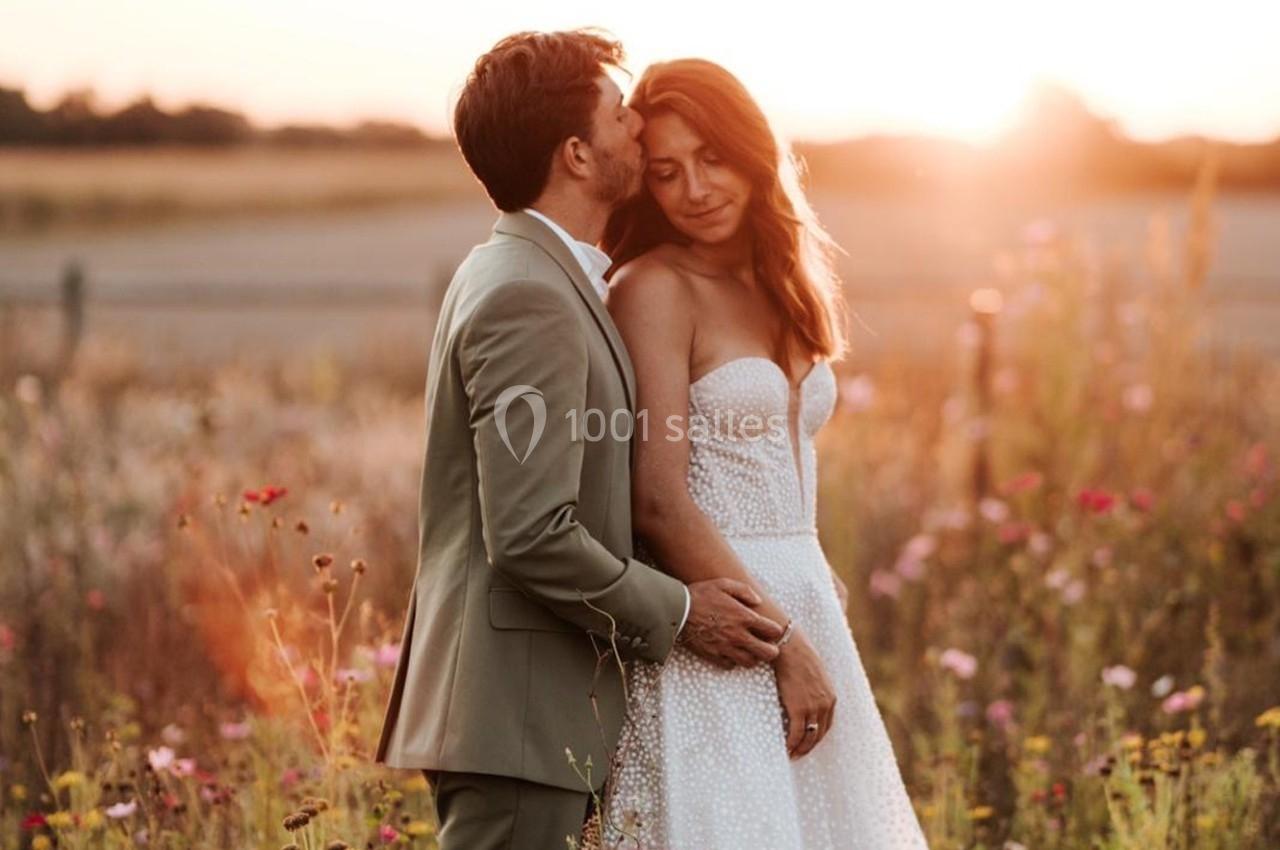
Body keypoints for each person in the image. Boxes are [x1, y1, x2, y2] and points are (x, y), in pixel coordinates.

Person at [372, 32, 787, 850]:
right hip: (517, 715)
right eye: (620, 112)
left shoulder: (526, 272)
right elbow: (530, 533)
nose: (638, 126)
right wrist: (683, 612)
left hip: (527, 713)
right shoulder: (529, 294)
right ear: (577, 153)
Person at [597, 58, 931, 848]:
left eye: (712, 158)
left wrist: (812, 580)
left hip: (803, 598)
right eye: (667, 172)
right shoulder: (653, 288)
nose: (695, 189)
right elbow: (657, 498)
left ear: (751, 153)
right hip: (726, 617)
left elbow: (783, 463)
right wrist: (783, 643)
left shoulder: (784, 284)